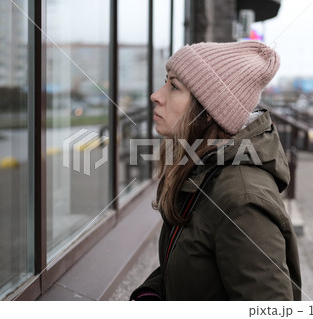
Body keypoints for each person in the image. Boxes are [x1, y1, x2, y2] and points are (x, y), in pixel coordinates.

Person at [130, 41, 302, 301]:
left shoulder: (242, 201)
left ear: (209, 112)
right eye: (166, 82)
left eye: (174, 86)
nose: (157, 95)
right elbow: (196, 263)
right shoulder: (204, 170)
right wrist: (153, 292)